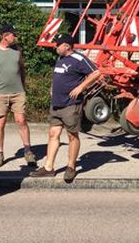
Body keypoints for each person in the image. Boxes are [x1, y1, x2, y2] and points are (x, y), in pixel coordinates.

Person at [29, 33, 101, 183]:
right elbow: (57, 76)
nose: (56, 47)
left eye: (58, 44)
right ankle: (49, 168)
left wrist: (80, 88)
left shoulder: (79, 59)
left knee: (72, 135)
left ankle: (71, 166)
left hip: (70, 104)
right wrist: (52, 88)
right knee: (53, 134)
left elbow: (96, 73)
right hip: (56, 103)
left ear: (67, 46)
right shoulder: (60, 58)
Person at [0, 24, 35, 167]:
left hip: (18, 93)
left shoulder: (17, 50)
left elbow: (22, 69)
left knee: (21, 121)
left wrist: (23, 87)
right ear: (5, 36)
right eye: (13, 35)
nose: (15, 37)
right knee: (0, 123)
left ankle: (28, 151)